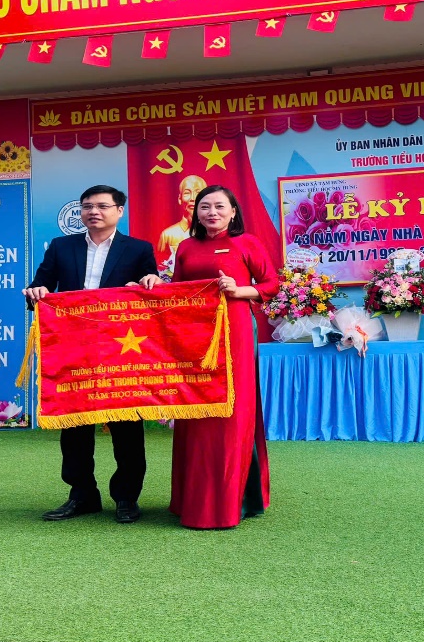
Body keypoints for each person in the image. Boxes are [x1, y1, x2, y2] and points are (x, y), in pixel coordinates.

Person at [139, 185, 277, 529]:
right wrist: (153, 282)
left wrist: (238, 290)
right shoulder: (186, 247)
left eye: (219, 206)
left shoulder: (247, 243)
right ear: (196, 213)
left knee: (231, 412)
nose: (211, 212)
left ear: (233, 212)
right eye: (205, 207)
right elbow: (177, 292)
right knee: (196, 409)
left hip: (235, 332)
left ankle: (231, 502)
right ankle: (193, 499)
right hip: (195, 336)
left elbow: (271, 285)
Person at [25, 185, 159, 524]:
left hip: (122, 349)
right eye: (87, 206)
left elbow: (151, 291)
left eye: (101, 206)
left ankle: (126, 497)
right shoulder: (61, 246)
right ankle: (82, 494)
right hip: (73, 347)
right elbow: (40, 286)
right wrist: (36, 291)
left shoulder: (139, 249)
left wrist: (150, 281)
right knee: (75, 426)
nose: (93, 212)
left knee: (127, 426)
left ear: (119, 211)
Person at [157, 174, 208, 276]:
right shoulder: (168, 235)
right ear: (179, 199)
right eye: (187, 193)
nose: (193, 198)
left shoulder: (213, 232)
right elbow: (161, 269)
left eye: (198, 192)